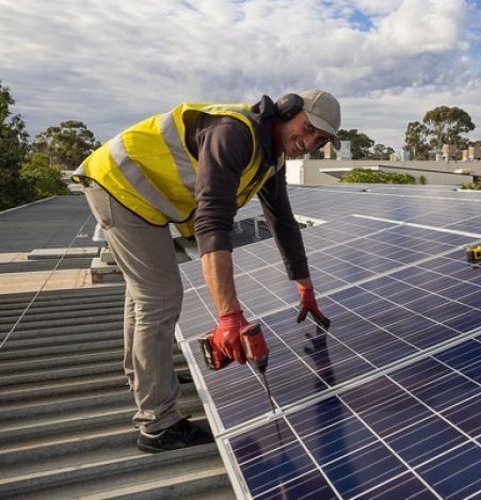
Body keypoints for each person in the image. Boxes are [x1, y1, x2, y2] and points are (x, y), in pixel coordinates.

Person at [72, 89, 340, 452]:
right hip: (120, 185)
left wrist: (305, 286)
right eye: (307, 128)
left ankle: (147, 377)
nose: (308, 142)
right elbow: (213, 222)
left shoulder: (271, 157)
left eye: (319, 140)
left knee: (145, 294)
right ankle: (157, 424)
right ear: (287, 110)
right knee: (160, 296)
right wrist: (229, 316)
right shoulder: (234, 133)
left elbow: (283, 223)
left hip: (137, 198)